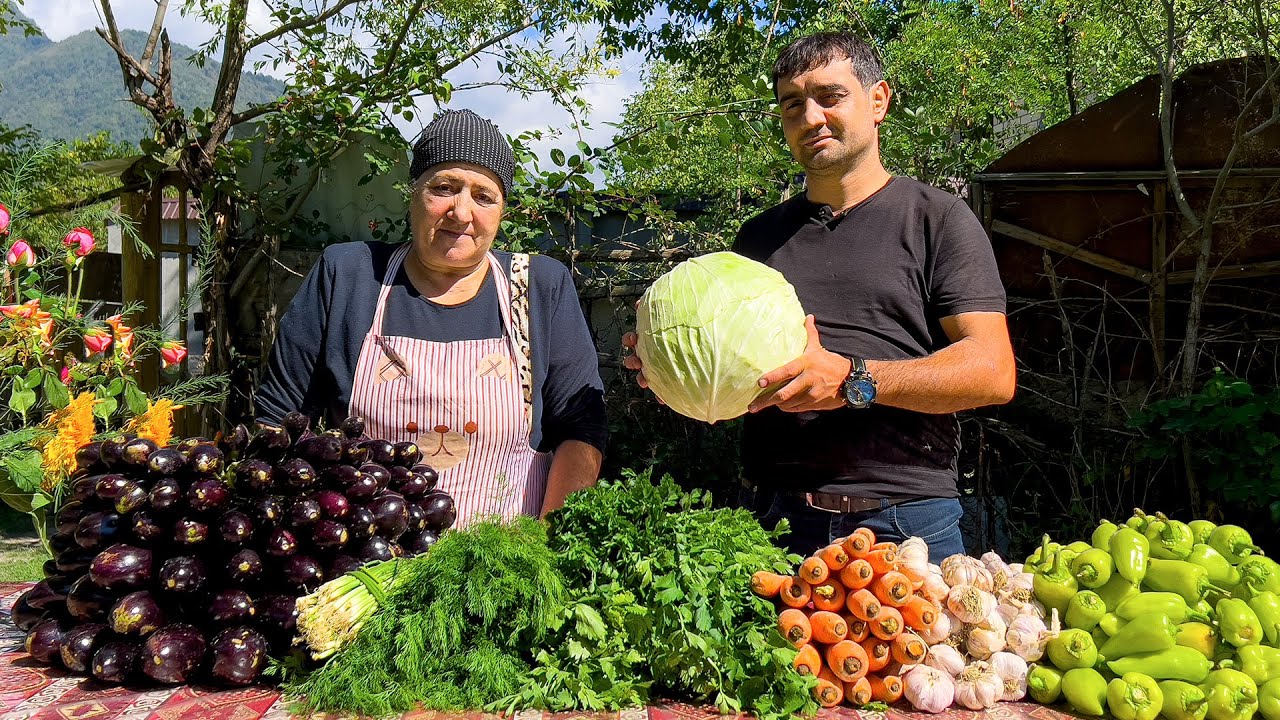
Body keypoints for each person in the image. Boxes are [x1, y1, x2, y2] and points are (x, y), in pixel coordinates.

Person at [624, 32, 1015, 562]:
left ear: (878, 101)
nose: (810, 118)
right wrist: (677, 368)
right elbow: (743, 385)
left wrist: (855, 380)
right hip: (771, 520)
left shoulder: (937, 219)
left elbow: (992, 371)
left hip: (905, 522)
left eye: (829, 96)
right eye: (793, 104)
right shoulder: (758, 239)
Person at [257, 109, 607, 526]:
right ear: (413, 193)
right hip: (363, 571)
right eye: (444, 188)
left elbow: (582, 426)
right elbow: (279, 421)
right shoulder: (348, 276)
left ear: (502, 211)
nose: (461, 213)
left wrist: (548, 548)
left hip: (506, 565)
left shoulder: (538, 287)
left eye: (483, 196)